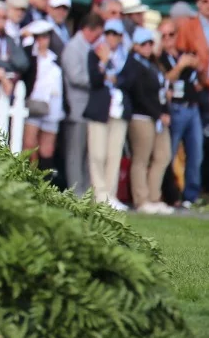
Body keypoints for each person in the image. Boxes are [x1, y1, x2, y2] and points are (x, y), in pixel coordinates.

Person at [119, 28, 172, 215]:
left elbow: (159, 92)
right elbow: (139, 94)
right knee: (141, 159)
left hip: (157, 116)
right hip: (142, 116)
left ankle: (153, 196)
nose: (148, 47)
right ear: (135, 46)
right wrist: (158, 113)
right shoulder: (133, 64)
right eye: (144, 44)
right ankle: (141, 199)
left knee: (163, 155)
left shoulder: (152, 64)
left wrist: (163, 111)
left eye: (150, 43)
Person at [86, 19, 132, 208]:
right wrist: (104, 62)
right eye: (109, 33)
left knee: (114, 153)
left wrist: (110, 74)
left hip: (119, 110)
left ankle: (110, 194)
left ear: (121, 37)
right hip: (100, 109)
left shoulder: (127, 57)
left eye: (116, 34)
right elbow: (95, 79)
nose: (111, 38)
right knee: (97, 153)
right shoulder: (94, 53)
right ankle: (99, 193)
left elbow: (128, 81)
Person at [160, 18, 202, 208]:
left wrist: (196, 66)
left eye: (171, 34)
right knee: (169, 152)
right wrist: (181, 66)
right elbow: (166, 78)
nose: (168, 39)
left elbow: (198, 72)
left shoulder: (184, 54)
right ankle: (169, 193)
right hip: (174, 108)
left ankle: (190, 195)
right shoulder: (160, 58)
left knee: (196, 153)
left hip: (192, 106)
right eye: (164, 35)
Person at [60, 12, 103, 198]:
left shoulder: (86, 47)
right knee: (75, 153)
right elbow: (75, 76)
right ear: (87, 29)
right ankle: (75, 191)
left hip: (87, 108)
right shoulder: (73, 47)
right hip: (76, 107)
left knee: (87, 153)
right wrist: (97, 78)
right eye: (97, 33)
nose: (98, 38)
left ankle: (85, 191)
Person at [21, 19, 63, 170]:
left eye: (45, 36)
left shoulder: (55, 58)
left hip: (53, 106)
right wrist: (27, 37)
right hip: (34, 103)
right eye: (37, 37)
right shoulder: (29, 54)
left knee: (47, 149)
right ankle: (29, 178)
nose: (41, 40)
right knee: (29, 145)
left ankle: (44, 184)